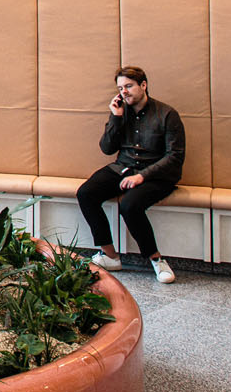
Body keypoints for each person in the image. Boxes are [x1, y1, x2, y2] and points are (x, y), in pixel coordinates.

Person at [76, 66, 184, 283]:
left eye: (128, 86)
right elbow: (107, 148)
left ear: (143, 85)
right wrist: (116, 119)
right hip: (123, 168)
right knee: (86, 193)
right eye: (120, 88)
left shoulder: (167, 114)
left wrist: (142, 176)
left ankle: (156, 259)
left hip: (156, 175)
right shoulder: (120, 111)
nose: (124, 92)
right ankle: (110, 255)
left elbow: (175, 156)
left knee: (129, 205)